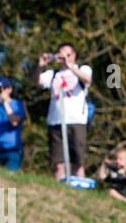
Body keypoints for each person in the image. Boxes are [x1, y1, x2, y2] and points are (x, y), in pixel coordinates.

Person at [33, 43, 93, 180]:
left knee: (78, 162)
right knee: (58, 163)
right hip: (56, 121)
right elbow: (36, 81)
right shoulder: (53, 74)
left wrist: (70, 66)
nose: (64, 58)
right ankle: (60, 191)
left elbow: (87, 79)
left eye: (68, 54)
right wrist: (40, 66)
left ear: (74, 55)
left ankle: (79, 192)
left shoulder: (83, 69)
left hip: (76, 121)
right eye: (61, 55)